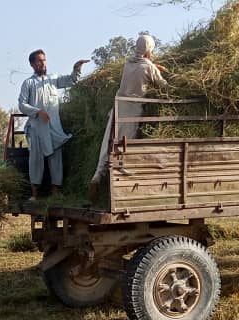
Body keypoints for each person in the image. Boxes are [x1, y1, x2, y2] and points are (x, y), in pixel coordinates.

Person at [90, 35, 168, 196]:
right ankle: (118, 184)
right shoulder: (149, 67)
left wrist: (153, 66)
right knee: (125, 144)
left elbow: (139, 68)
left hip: (118, 106)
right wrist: (162, 73)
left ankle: (97, 175)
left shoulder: (128, 63)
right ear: (149, 49)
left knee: (108, 141)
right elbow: (163, 85)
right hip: (132, 110)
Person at [18, 49, 90, 200]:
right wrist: (38, 111)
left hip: (54, 127)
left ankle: (55, 192)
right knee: (36, 161)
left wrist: (77, 68)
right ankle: (35, 195)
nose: (43, 63)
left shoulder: (53, 79)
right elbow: (22, 105)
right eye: (39, 60)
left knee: (56, 159)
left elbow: (72, 80)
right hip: (36, 129)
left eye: (44, 60)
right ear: (32, 64)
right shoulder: (28, 83)